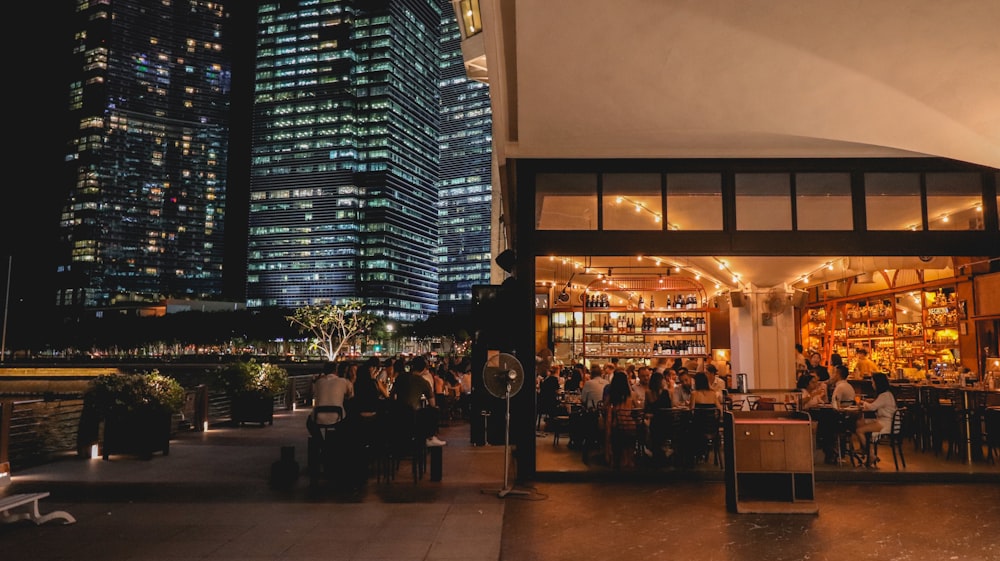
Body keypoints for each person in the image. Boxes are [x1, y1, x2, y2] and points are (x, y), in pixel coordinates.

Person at [854, 372, 896, 467]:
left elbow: (872, 407)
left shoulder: (884, 396)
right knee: (860, 422)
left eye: (873, 382)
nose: (872, 385)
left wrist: (863, 402)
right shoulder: (887, 394)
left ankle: (870, 454)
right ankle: (864, 448)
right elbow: (876, 404)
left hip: (885, 423)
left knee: (859, 430)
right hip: (885, 421)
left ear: (878, 383)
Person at [308, 361, 353, 441]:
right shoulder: (343, 381)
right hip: (338, 417)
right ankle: (339, 442)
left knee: (309, 423)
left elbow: (313, 393)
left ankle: (321, 443)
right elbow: (351, 394)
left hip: (318, 417)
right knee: (348, 421)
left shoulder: (318, 382)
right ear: (336, 370)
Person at [603, 371, 639, 468]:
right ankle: (629, 459)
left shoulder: (612, 397)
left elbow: (604, 408)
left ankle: (620, 459)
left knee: (615, 429)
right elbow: (638, 409)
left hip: (617, 427)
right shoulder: (632, 395)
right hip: (631, 427)